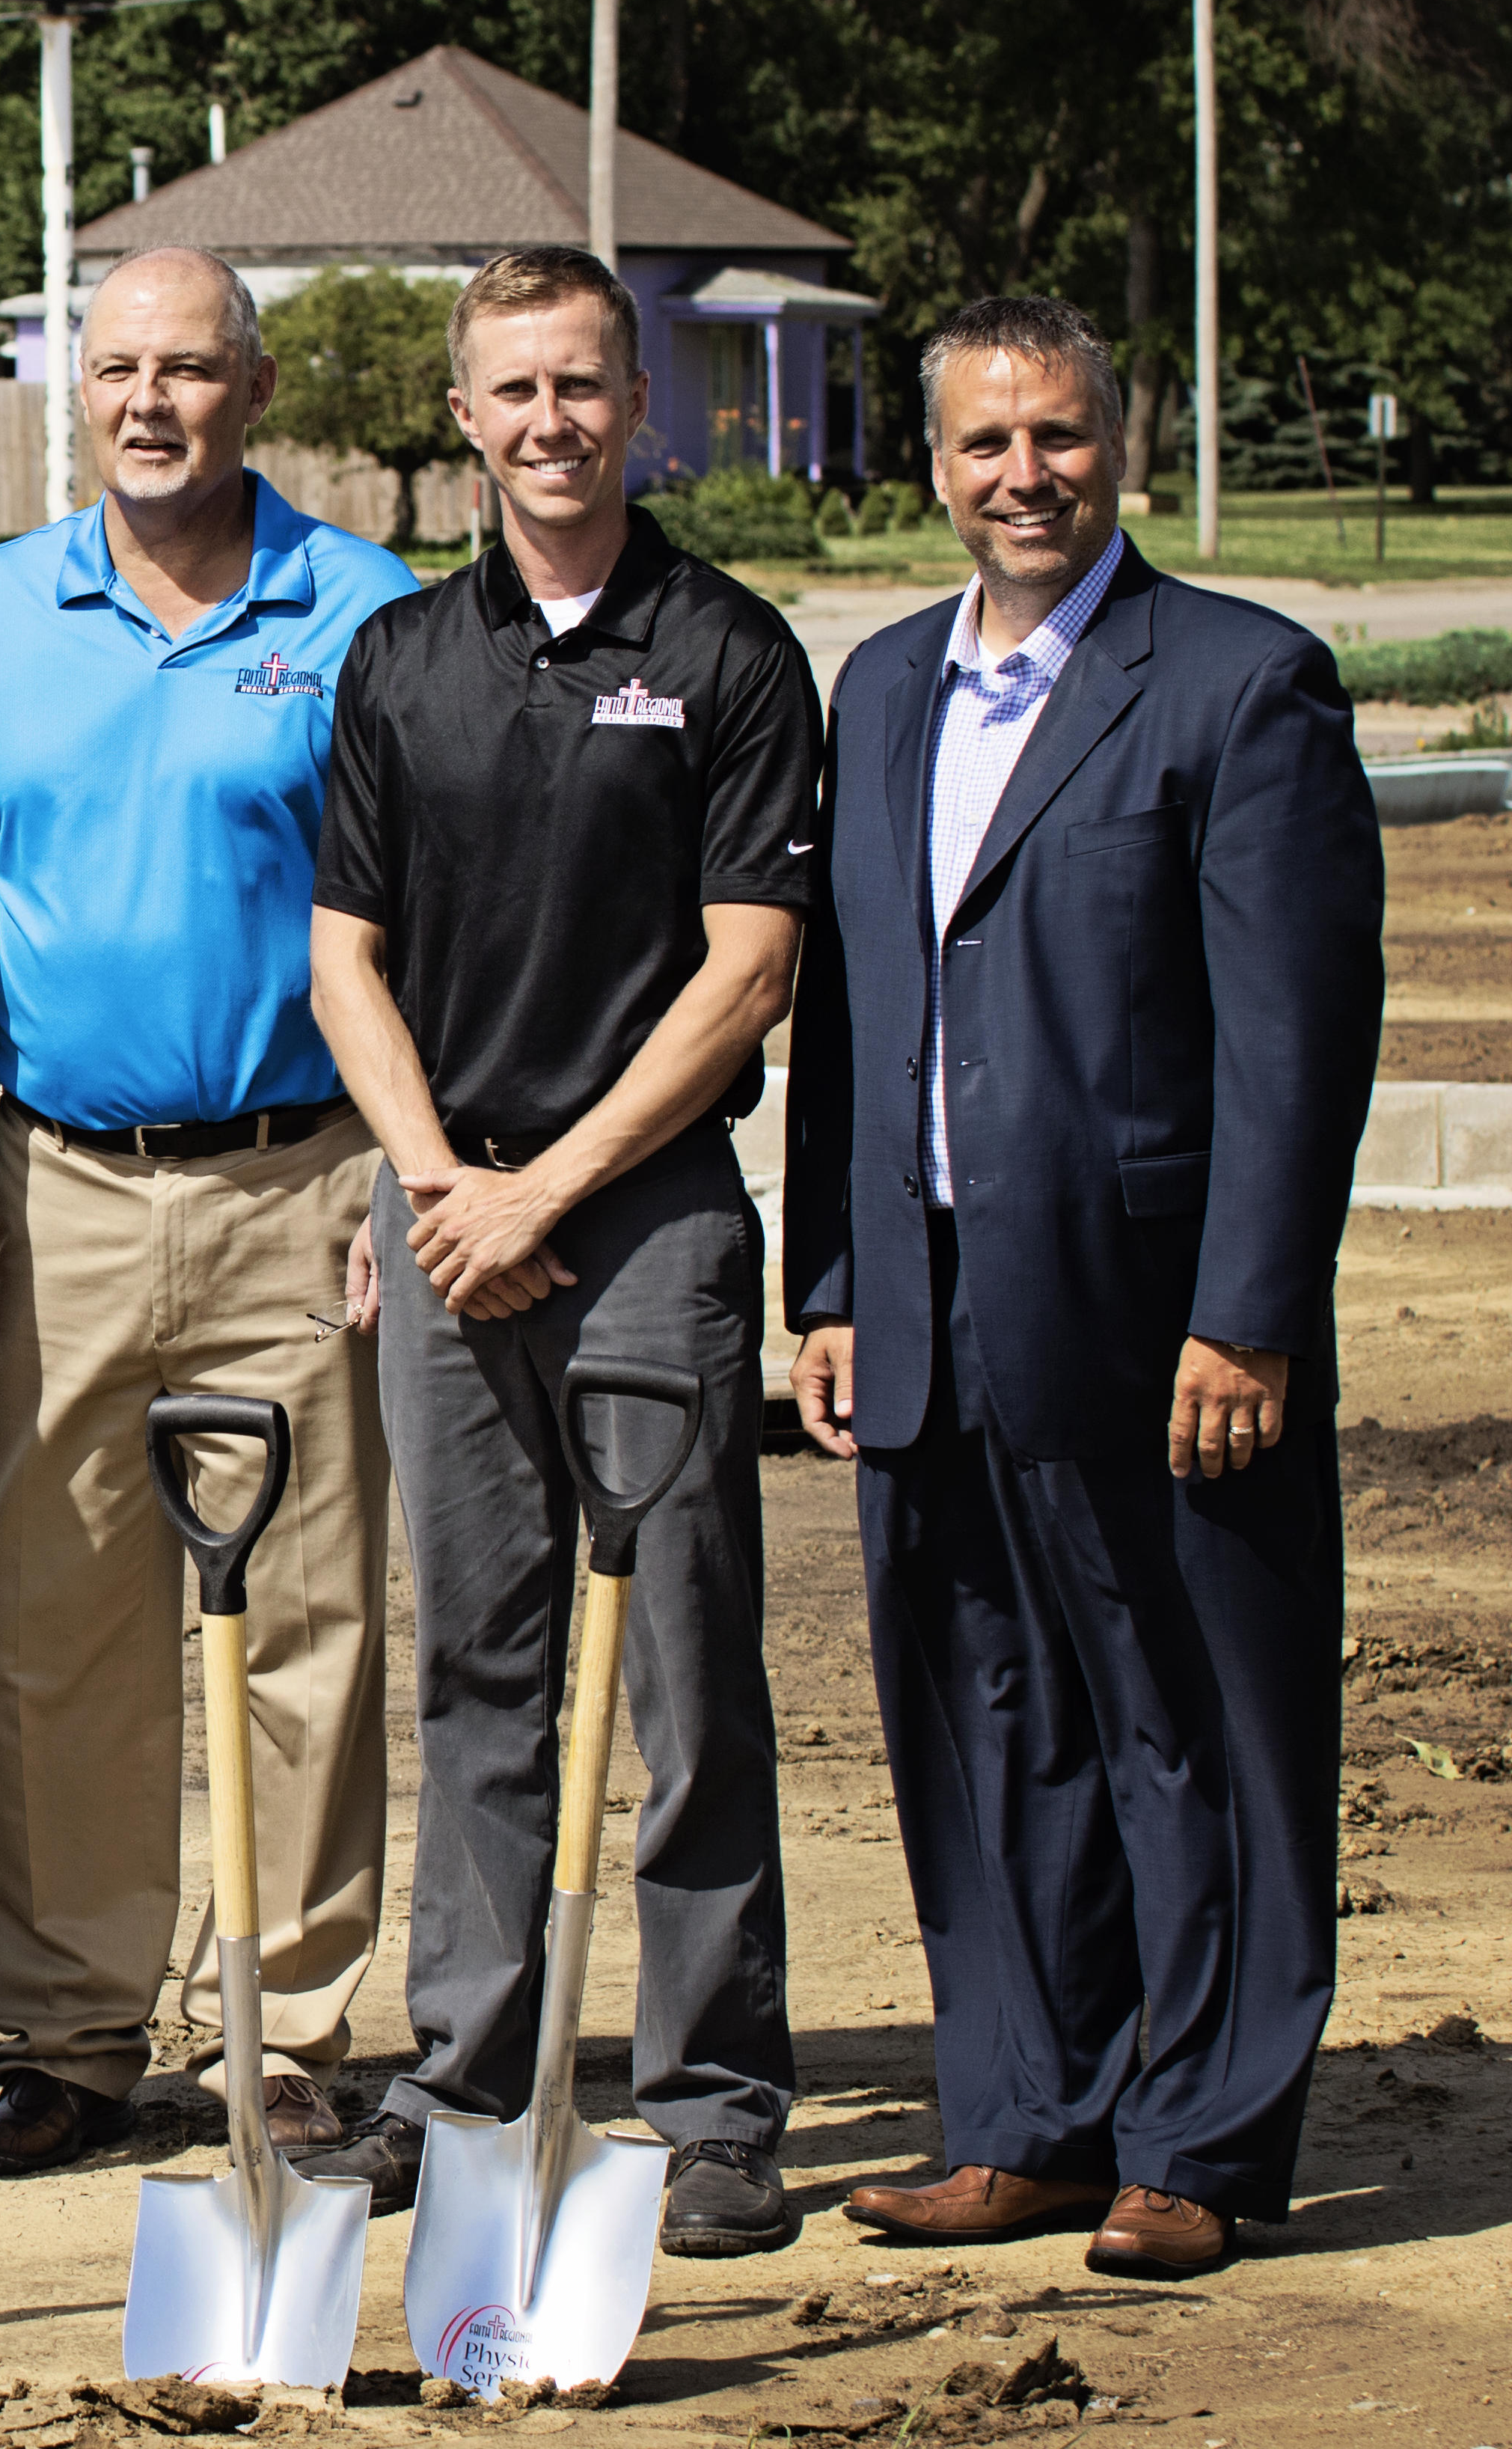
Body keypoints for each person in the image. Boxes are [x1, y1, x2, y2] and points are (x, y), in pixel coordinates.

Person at [786, 296, 1379, 2279]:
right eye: (982, 444)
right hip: (933, 1305)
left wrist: (1253, 1310)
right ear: (931, 468)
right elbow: (855, 1014)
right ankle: (1027, 2113)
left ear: (1115, 443)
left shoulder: (1238, 684)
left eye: (1056, 436)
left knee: (1189, 1712)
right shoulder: (876, 693)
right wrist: (838, 1283)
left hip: (1156, 1317)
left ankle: (1197, 2137)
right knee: (985, 1709)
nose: (1022, 476)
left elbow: (1297, 1042)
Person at [299, 246, 813, 2254]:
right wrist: (438, 1183)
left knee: (686, 1674)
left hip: (648, 1225)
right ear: (466, 416)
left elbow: (748, 974)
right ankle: (473, 2071)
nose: (551, 424)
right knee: (480, 1669)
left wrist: (549, 1193)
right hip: (447, 1213)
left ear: (639, 402)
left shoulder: (732, 649)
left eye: (585, 387)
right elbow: (345, 956)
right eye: (514, 392)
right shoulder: (402, 658)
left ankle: (711, 2103)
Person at [0, 247, 416, 2177]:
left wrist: (404, 1172)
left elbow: (422, 922)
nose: (149, 401)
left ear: (253, 392)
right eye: (117, 369)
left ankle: (284, 2027)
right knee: (58, 1624)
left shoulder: (365, 613)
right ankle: (69, 2036)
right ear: (78, 393)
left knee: (308, 1617)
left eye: (189, 369)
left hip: (306, 1182)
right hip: (62, 1185)